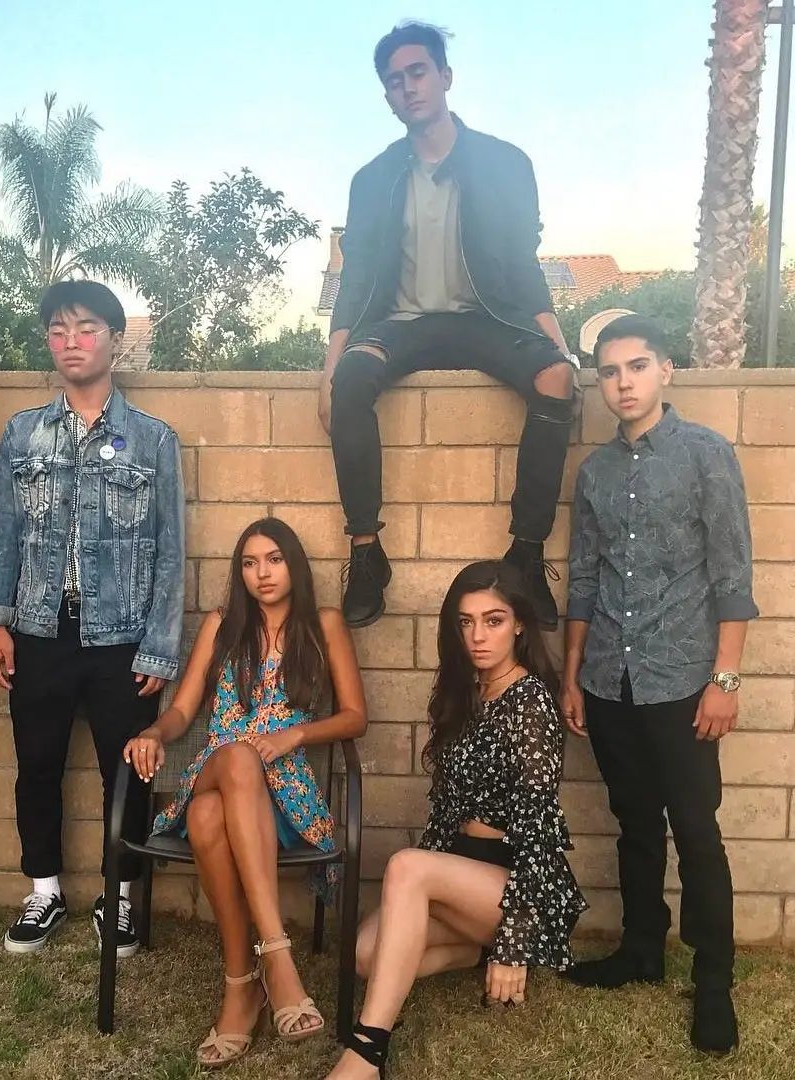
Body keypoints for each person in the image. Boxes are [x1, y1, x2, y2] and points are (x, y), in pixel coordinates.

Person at [318, 21, 577, 631]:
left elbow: (522, 263)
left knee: (556, 380)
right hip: (400, 324)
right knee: (350, 379)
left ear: (445, 76)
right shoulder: (372, 178)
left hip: (487, 319)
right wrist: (328, 368)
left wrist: (561, 350)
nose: (407, 87)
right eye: (394, 81)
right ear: (387, 95)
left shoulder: (505, 163)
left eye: (418, 72)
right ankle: (366, 553)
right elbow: (356, 279)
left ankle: (526, 555)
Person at [561, 314, 757, 1056]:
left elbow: (733, 576)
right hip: (610, 680)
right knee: (635, 822)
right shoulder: (594, 474)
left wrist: (724, 680)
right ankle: (642, 948)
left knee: (697, 830)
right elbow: (583, 579)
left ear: (665, 370)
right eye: (609, 372)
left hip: (682, 681)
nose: (623, 383)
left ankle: (713, 980)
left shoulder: (707, 455)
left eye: (637, 366)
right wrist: (575, 675)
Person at [0, 279, 185, 958]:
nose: (72, 341)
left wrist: (159, 647)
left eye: (87, 328)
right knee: (36, 764)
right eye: (59, 330)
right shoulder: (23, 433)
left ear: (115, 342)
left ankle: (118, 897)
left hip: (121, 638)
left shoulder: (152, 440)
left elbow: (171, 551)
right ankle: (44, 890)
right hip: (39, 631)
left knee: (126, 772)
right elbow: (2, 534)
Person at [122, 518, 366, 1068]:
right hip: (218, 764)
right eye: (250, 563)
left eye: (274, 559)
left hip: (286, 792)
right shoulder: (222, 624)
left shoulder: (324, 625)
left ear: (294, 564)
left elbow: (356, 716)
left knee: (207, 817)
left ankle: (241, 984)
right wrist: (154, 732)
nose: (263, 573)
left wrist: (294, 735)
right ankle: (278, 958)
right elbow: (184, 708)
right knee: (235, 758)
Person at [327, 560, 586, 1079]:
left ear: (519, 624)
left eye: (493, 620)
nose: (478, 636)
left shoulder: (531, 701)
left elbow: (537, 827)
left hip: (522, 884)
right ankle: (473, 951)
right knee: (363, 956)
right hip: (463, 875)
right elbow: (447, 811)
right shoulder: (464, 691)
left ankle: (366, 1052)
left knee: (407, 866)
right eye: (466, 622)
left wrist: (513, 941)